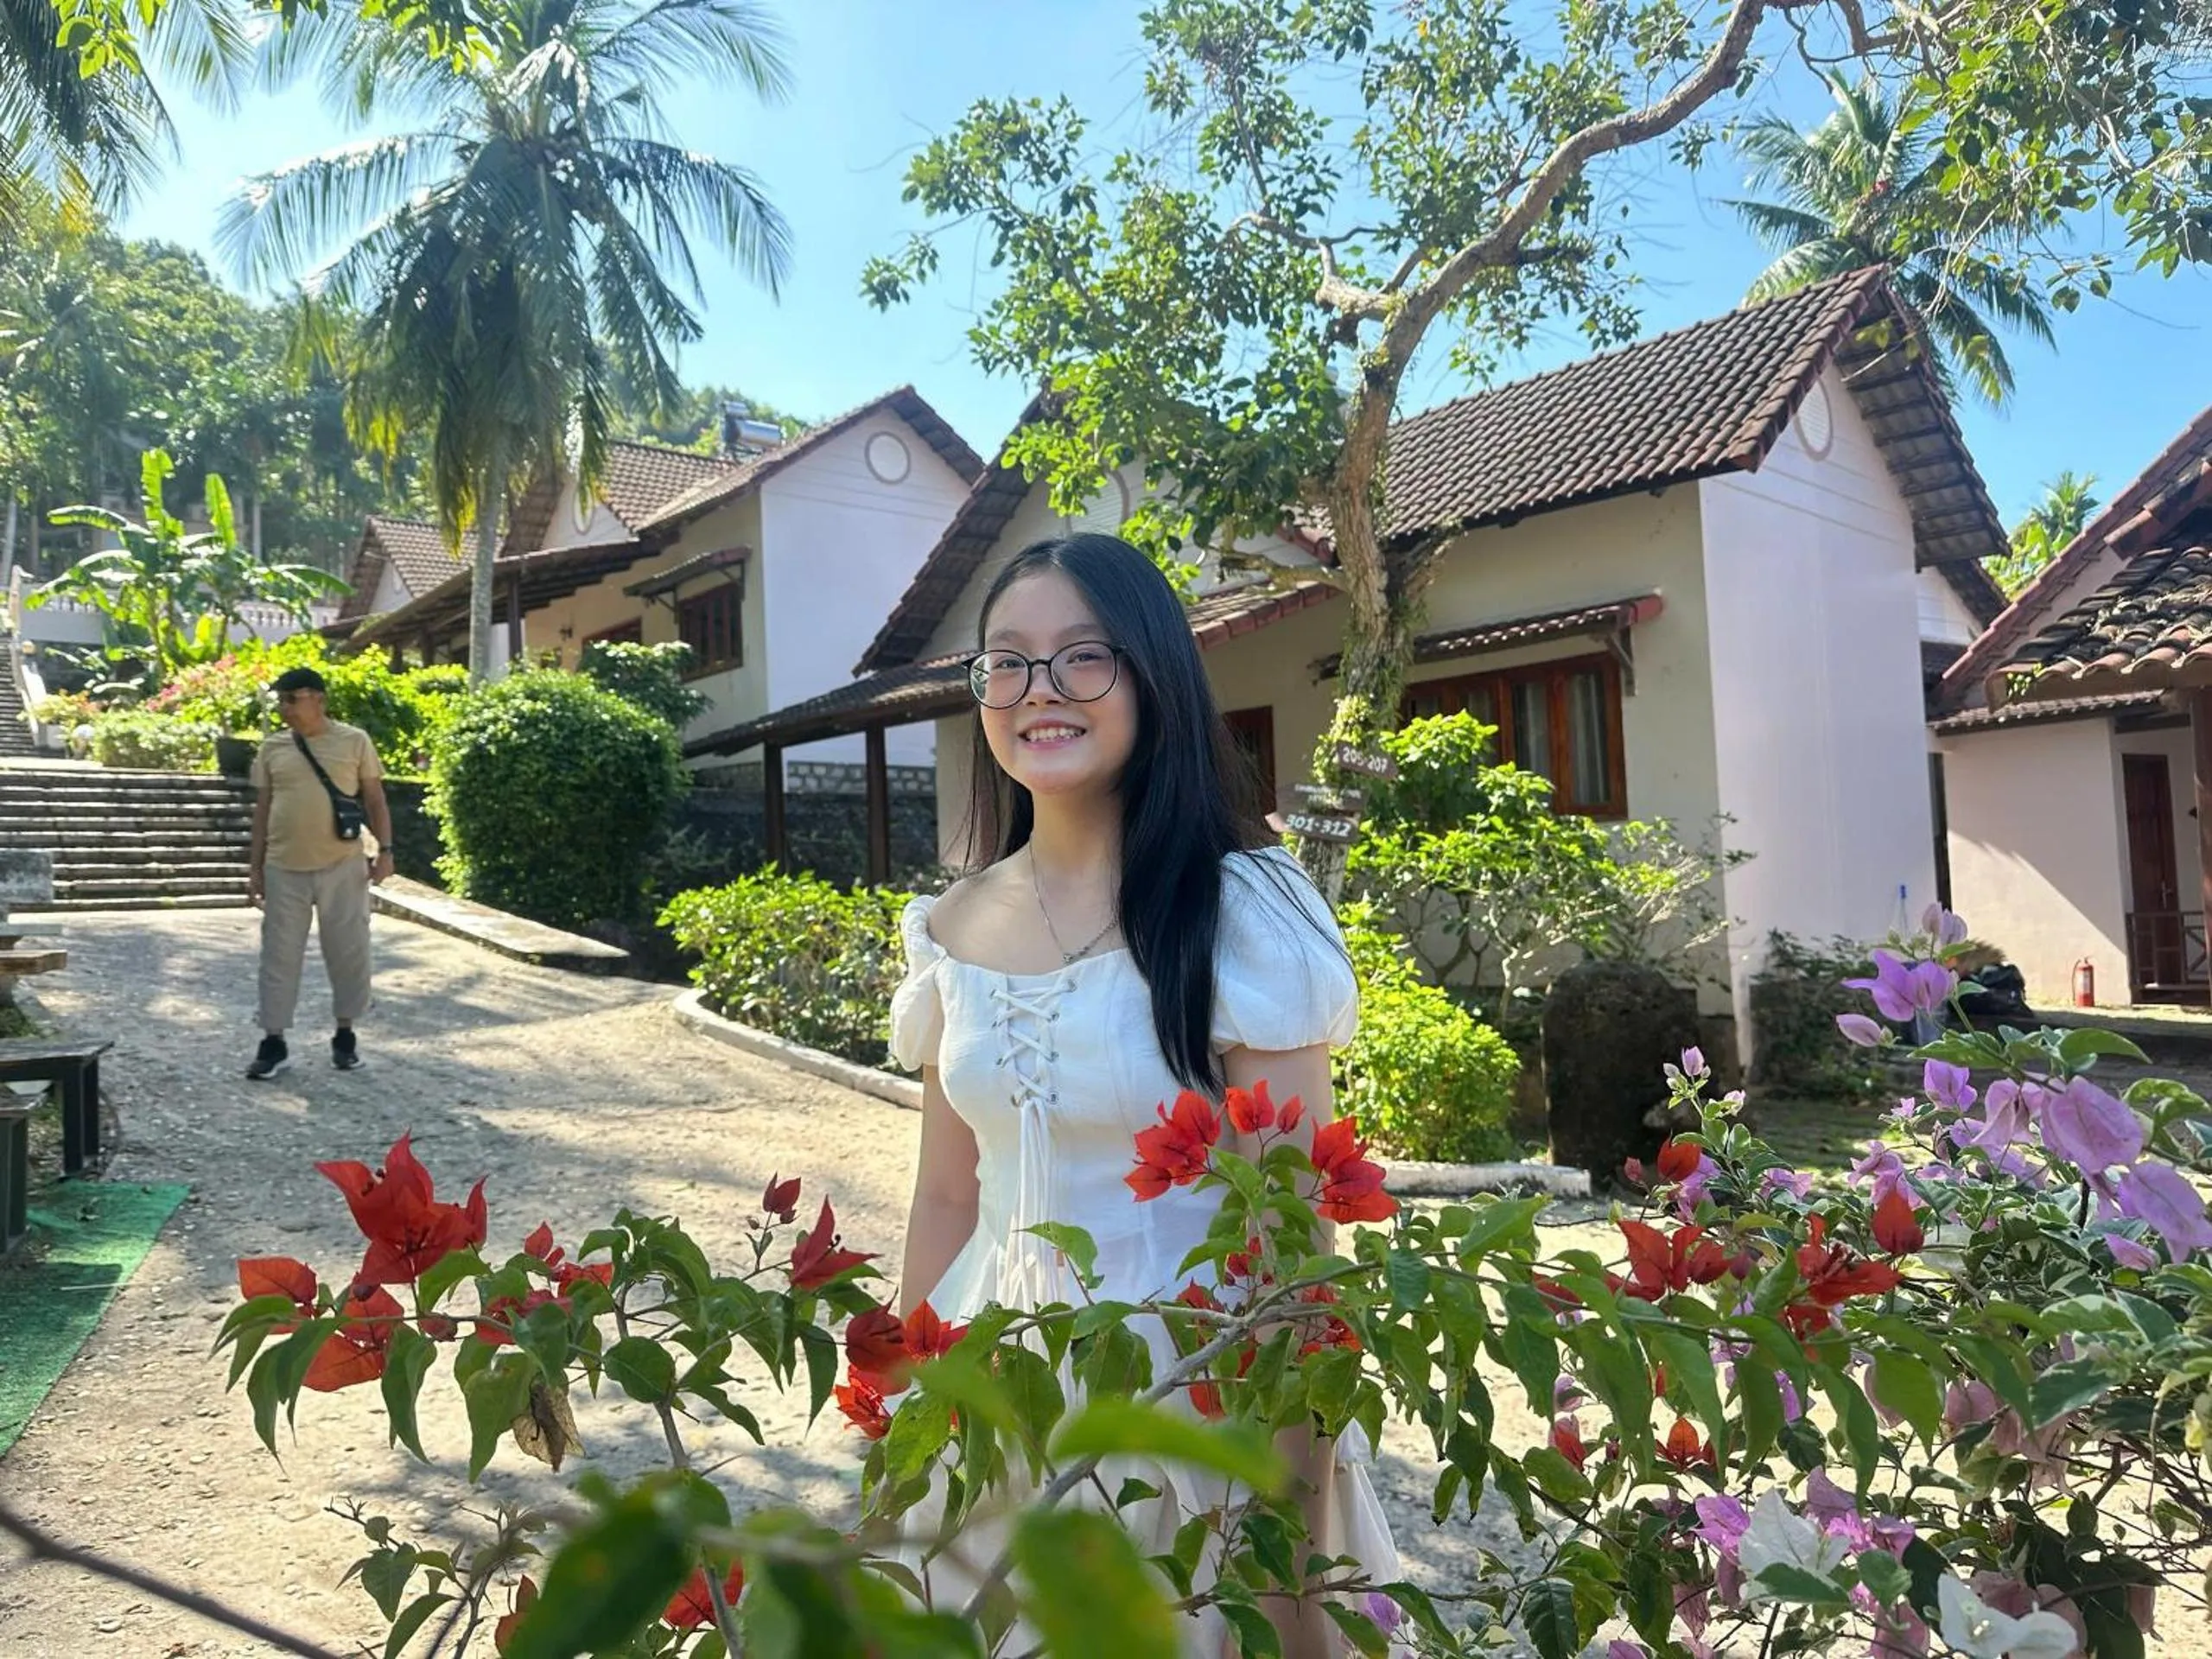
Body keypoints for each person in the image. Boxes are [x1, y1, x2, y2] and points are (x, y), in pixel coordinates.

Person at [888, 533, 1399, 1656]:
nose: (1040, 692)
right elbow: (944, 1199)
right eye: (1007, 663)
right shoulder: (948, 930)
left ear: (1152, 674)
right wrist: (901, 1412)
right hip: (990, 1408)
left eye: (1083, 657)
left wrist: (1294, 1527)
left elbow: (1295, 1238)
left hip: (1195, 1411)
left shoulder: (1242, 908)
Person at [245, 666, 394, 1079]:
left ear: (319, 700)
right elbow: (263, 811)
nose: (285, 708)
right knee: (277, 956)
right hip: (283, 867)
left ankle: (345, 1035)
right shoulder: (273, 748)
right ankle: (273, 1041)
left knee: (348, 951)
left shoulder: (354, 741)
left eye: (292, 699)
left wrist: (385, 852)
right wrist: (254, 867)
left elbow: (376, 800)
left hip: (342, 865)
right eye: (281, 700)